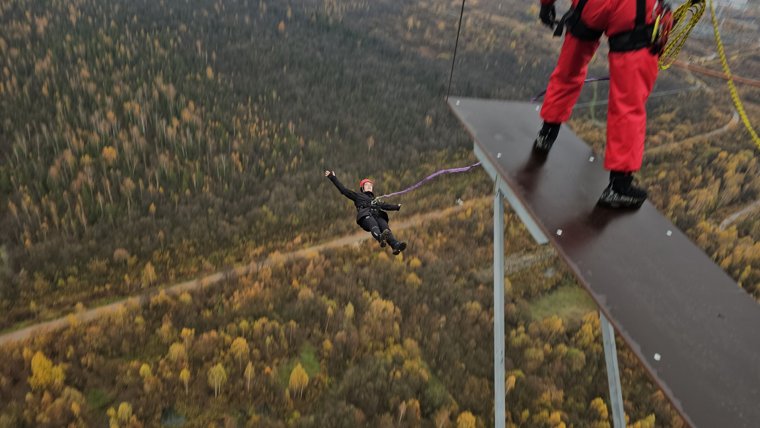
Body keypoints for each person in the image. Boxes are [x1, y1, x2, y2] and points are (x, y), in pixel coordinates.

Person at [533, 0, 672, 208]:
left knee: (568, 70)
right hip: (633, 11)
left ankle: (546, 134)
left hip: (590, 5)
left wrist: (546, 4)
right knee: (628, 101)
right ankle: (619, 186)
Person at [325, 170, 407, 255]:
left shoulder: (375, 200)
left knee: (385, 227)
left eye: (370, 185)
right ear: (362, 188)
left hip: (377, 215)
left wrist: (396, 207)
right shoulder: (358, 196)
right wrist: (333, 177)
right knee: (373, 223)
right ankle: (380, 237)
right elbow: (343, 190)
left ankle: (395, 245)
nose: (369, 186)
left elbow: (385, 206)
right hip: (366, 215)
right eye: (366, 185)